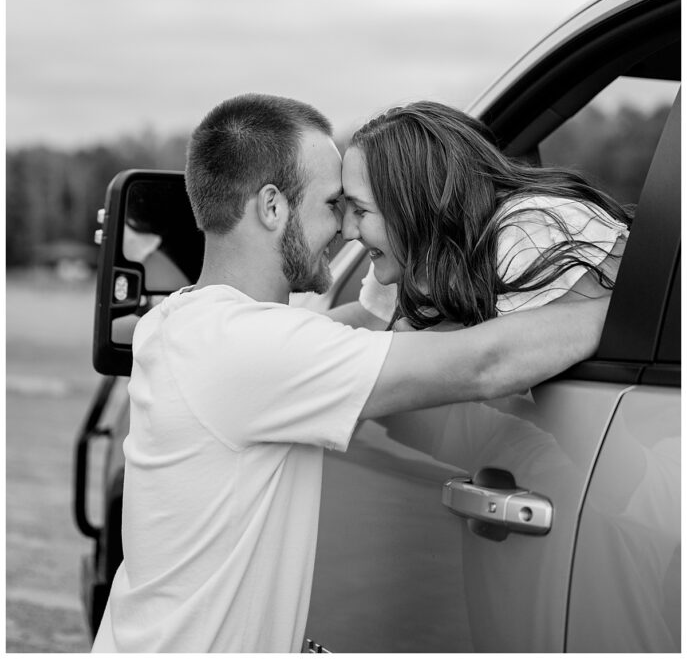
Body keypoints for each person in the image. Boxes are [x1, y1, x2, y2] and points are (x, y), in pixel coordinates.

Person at [93, 94, 613, 654]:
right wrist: (640, 302)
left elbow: (355, 325)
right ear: (272, 208)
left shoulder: (181, 323)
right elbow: (484, 363)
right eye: (334, 203)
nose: (344, 228)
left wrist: (409, 247)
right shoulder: (248, 350)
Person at [340, 100, 630, 334]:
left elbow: (511, 364)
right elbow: (369, 317)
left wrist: (420, 345)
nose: (348, 231)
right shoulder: (418, 251)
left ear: (415, 205)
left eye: (361, 210)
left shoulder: (533, 229)